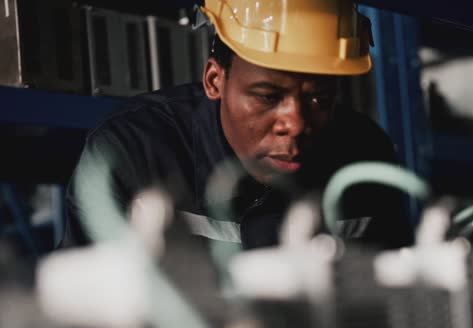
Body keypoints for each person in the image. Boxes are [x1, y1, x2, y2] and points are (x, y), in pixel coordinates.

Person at [62, 0, 410, 249]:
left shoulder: (366, 157)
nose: (296, 123)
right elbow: (80, 318)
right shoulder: (130, 153)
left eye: (319, 98)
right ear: (215, 80)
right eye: (268, 97)